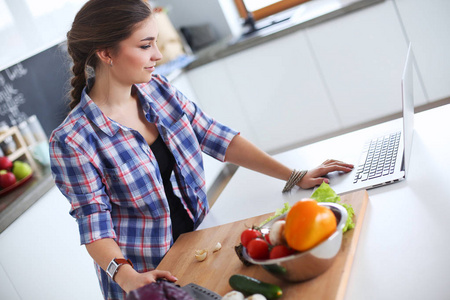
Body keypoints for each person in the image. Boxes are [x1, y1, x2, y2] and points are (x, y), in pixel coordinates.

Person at [49, 0, 353, 299]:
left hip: (200, 247)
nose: (158, 54)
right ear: (106, 53)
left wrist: (295, 175)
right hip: (147, 279)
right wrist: (128, 277)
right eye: (145, 46)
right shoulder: (73, 141)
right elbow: (94, 223)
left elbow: (215, 136)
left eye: (155, 42)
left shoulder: (158, 89)